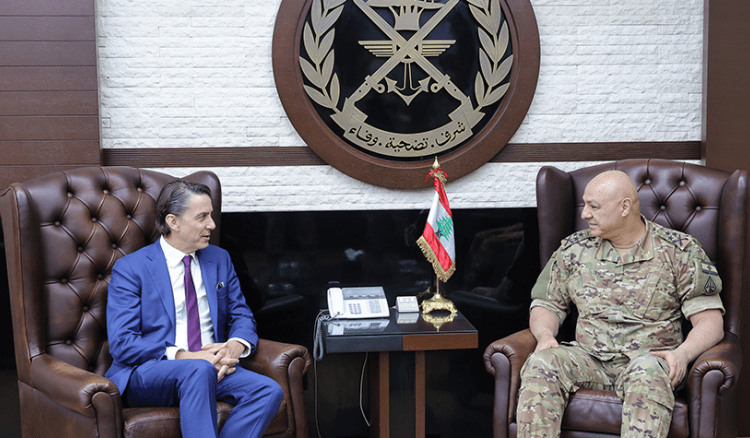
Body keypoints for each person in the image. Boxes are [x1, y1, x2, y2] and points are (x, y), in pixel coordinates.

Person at [517, 170, 724, 438]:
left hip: (648, 360)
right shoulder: (574, 250)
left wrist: (682, 355)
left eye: (594, 206)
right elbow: (547, 304)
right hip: (588, 358)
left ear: (625, 207)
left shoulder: (679, 251)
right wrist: (545, 335)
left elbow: (710, 321)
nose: (585, 214)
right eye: (584, 205)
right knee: (541, 362)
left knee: (648, 371)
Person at [106, 180, 283, 438]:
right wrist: (186, 357)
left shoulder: (219, 259)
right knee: (198, 370)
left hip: (213, 367)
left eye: (211, 215)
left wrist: (234, 346)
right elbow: (122, 342)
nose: (212, 225)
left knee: (268, 391)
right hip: (152, 371)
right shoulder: (132, 268)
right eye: (202, 217)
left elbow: (241, 314)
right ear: (173, 221)